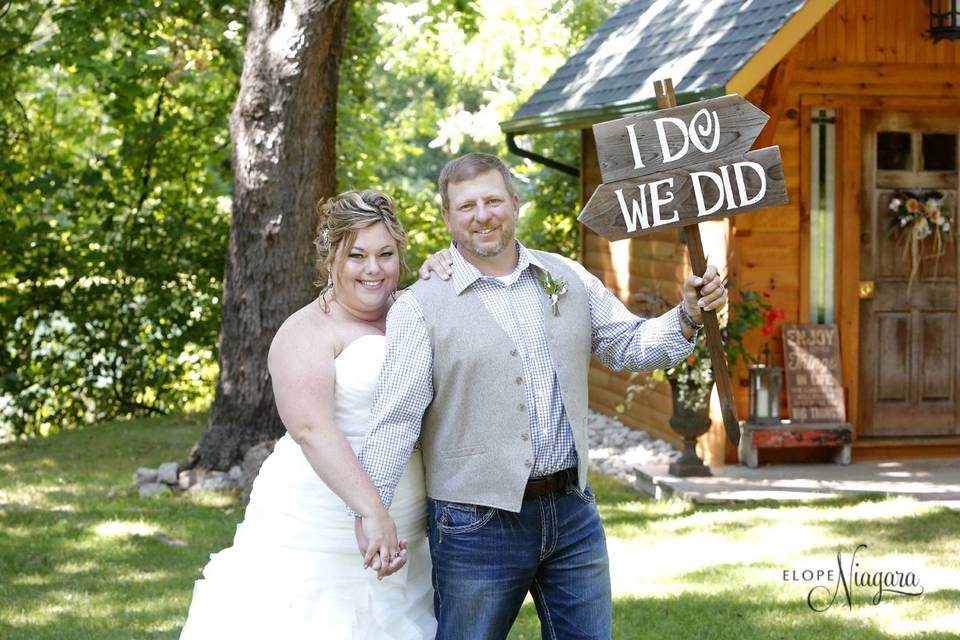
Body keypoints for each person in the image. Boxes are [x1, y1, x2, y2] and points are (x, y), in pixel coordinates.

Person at [357, 152, 728, 640]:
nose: (482, 215)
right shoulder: (419, 305)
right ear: (447, 218)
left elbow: (630, 344)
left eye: (493, 200)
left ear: (514, 203)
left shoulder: (568, 277)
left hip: (573, 513)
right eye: (466, 206)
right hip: (474, 523)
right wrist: (372, 513)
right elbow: (396, 419)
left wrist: (685, 314)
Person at [180, 190, 444, 640]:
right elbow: (311, 429)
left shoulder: (417, 313)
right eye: (356, 255)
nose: (373, 268)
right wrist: (371, 511)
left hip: (409, 517)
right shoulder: (307, 330)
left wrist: (441, 273)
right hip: (321, 520)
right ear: (330, 258)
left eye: (385, 254)